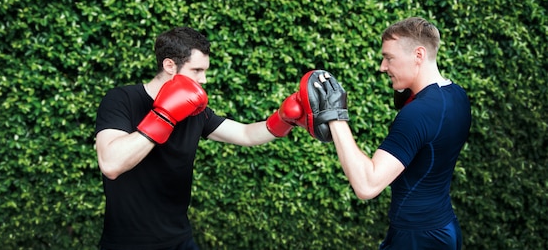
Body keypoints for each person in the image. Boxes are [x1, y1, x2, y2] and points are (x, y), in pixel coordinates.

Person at [94, 26, 310, 250]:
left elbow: (246, 134)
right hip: (126, 244)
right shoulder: (121, 100)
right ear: (170, 66)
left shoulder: (195, 111)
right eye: (196, 70)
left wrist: (285, 120)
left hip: (180, 240)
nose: (204, 79)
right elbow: (111, 164)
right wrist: (164, 116)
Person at [317, 17, 472, 249]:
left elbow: (367, 186)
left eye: (389, 57)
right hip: (443, 228)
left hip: (418, 240)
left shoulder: (419, 113)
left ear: (418, 55)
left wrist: (335, 116)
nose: (382, 66)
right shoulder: (457, 96)